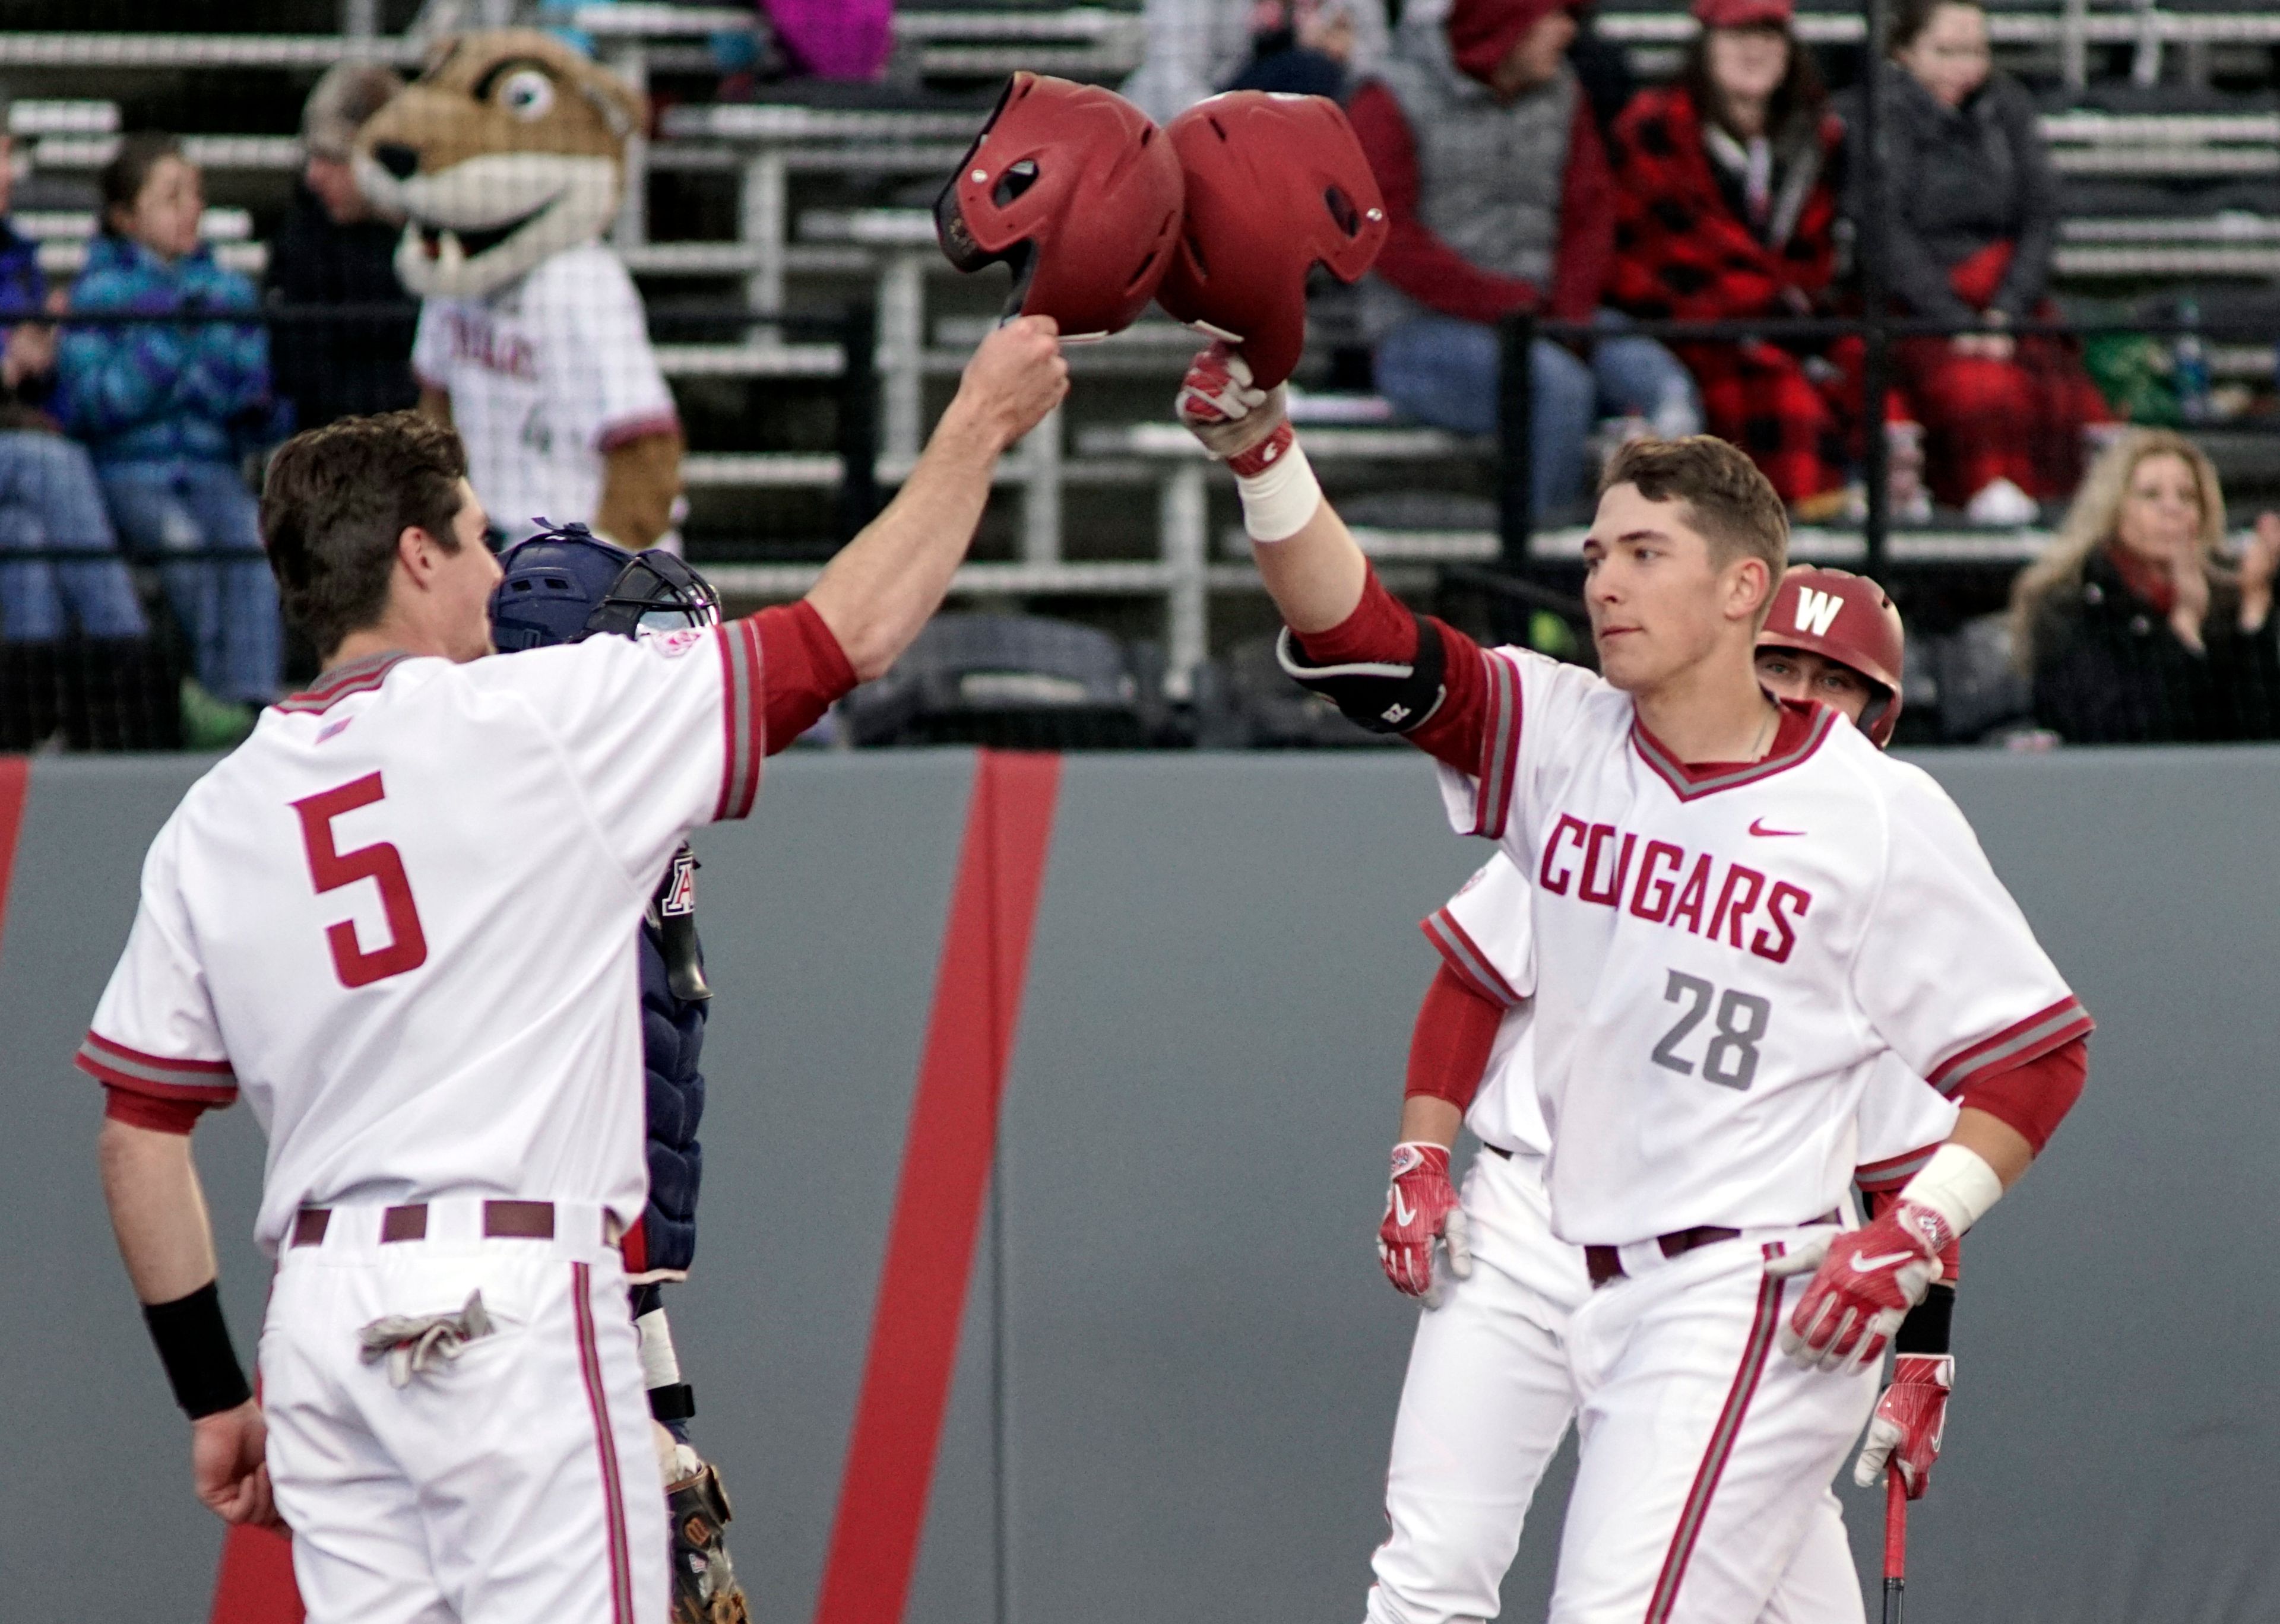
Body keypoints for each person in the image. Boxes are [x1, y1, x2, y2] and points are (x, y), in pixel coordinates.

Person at [79, 317, 1064, 1621]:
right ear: (415, 554)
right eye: (477, 536)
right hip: (513, 1296)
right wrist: (977, 424)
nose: (499, 569)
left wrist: (214, 1397)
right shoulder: (530, 720)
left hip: (321, 1326)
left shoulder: (214, 817)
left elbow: (141, 1136)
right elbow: (849, 638)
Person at [1177, 345, 2089, 1619]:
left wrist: (1922, 1235)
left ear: (1741, 591)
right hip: (1569, 1253)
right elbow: (1365, 647)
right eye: (1598, 552)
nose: (1603, 579)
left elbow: (2034, 1054)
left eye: (1645, 554)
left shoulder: (1874, 815)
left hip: (1747, 1295)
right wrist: (1268, 459)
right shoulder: (1564, 733)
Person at [1369, 565, 1961, 1624]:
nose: (1807, 693)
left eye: (1838, 679)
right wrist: (1422, 1155)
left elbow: (1909, 1165)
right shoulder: (1619, 782)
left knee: (1790, 1600)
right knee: (1436, 1563)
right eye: (1782, 662)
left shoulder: (1886, 859)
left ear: (1880, 716)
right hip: (1534, 1225)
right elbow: (1475, 975)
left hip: (1734, 1275)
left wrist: (1926, 1354)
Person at [489, 526, 752, 1624]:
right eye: (650, 661)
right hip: (530, 1317)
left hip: (615, 1307)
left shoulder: (644, 823)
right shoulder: (517, 838)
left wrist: (652, 1371)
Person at [1351, 0, 1702, 519]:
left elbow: (1590, 210)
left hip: (1547, 320)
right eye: (1555, 17)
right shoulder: (1389, 98)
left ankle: (1661, 557)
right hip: (1420, 333)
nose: (1568, 32)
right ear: (1505, 24)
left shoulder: (1563, 91)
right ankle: (1540, 573)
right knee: (1554, 389)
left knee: (1663, 385)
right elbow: (1383, 235)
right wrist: (1503, 305)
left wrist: (1568, 312)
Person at [1838, 0, 2108, 524]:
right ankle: (1984, 490)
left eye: (1977, 52)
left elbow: (2041, 213)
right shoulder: (1874, 113)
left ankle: (2053, 501)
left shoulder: (2008, 107)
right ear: (1903, 53)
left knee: (2054, 387)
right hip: (1913, 304)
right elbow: (1881, 228)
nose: (1965, 67)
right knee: (1975, 384)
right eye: (1947, 52)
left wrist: (2005, 309)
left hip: (2004, 296)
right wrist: (1953, 318)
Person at [58, 132, 283, 743]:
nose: (191, 210)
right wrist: (166, 347)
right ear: (125, 217)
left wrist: (233, 395)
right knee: (184, 551)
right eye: (171, 197)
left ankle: (256, 709)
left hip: (213, 469)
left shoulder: (230, 291)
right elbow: (92, 405)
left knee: (250, 544)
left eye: (196, 194)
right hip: (132, 474)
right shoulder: (97, 296)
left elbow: (247, 388)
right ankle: (211, 702)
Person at [1608, 0, 1856, 513]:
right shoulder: (1651, 130)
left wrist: (1795, 315)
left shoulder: (1819, 137)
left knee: (1873, 374)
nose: (1755, 49)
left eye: (1770, 35)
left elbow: (1823, 261)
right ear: (1705, 45)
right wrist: (1770, 309)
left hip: (1793, 330)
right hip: (1689, 330)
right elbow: (1656, 265)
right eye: (1738, 34)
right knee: (1778, 395)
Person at [2010, 426, 2280, 743]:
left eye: (2187, 496)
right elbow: (2113, 735)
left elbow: (2259, 741)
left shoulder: (2223, 604)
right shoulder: (2069, 602)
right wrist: (2183, 631)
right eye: (2151, 495)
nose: (2173, 508)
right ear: (2112, 509)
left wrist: (2254, 610)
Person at [0, 112, 151, 659]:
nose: (10, 174)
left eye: (10, 156)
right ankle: (130, 660)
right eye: (0, 158)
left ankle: (29, 709)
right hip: (22, 451)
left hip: (16, 434)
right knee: (54, 466)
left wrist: (48, 348)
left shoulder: (17, 254)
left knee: (24, 538)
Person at [267, 62, 419, 433]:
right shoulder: (303, 240)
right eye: (312, 157)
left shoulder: (436, 245)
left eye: (333, 159)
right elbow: (297, 371)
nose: (313, 175)